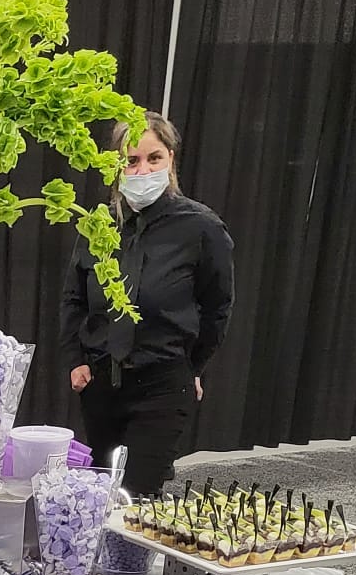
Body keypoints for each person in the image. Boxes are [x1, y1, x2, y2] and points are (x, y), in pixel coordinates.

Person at [60, 114, 234, 498]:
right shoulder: (98, 225)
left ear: (170, 159)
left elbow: (217, 306)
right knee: (100, 494)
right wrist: (77, 358)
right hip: (101, 385)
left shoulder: (202, 227)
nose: (143, 169)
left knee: (136, 496)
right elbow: (74, 297)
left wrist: (192, 366)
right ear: (115, 165)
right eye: (131, 160)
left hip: (161, 384)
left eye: (154, 158)